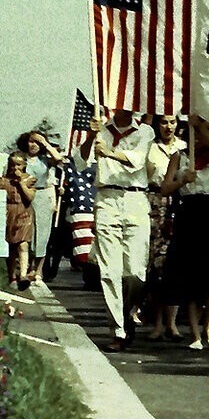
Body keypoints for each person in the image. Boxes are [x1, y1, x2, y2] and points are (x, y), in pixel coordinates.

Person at [74, 109, 155, 352]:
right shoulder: (101, 129)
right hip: (107, 198)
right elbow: (80, 162)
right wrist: (91, 137)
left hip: (135, 199)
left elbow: (137, 160)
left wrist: (109, 152)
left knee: (135, 272)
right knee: (110, 271)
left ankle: (127, 312)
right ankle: (117, 329)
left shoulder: (145, 130)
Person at [161, 115, 209, 350]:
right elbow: (164, 188)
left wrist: (200, 125)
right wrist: (181, 181)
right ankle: (195, 332)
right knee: (190, 275)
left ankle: (208, 324)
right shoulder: (180, 156)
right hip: (189, 214)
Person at [144, 115, 186, 341]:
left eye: (172, 122)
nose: (168, 127)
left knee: (172, 264)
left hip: (177, 202)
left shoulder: (183, 148)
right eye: (163, 122)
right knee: (154, 264)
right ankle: (157, 322)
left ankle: (172, 323)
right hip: (153, 201)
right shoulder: (149, 147)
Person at [18, 131, 64, 284]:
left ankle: (38, 271)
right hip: (24, 197)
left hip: (43, 196)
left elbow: (58, 158)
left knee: (42, 235)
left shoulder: (45, 160)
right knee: (27, 233)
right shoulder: (21, 158)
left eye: (36, 142)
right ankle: (26, 267)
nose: (33, 145)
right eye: (31, 141)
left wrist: (45, 143)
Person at [2, 152, 36, 291]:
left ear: (24, 166)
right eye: (12, 164)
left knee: (23, 244)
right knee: (11, 246)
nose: (14, 167)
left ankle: (23, 274)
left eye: (18, 164)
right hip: (9, 213)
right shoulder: (4, 181)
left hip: (24, 213)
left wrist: (21, 183)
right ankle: (12, 276)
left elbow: (30, 197)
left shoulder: (30, 179)